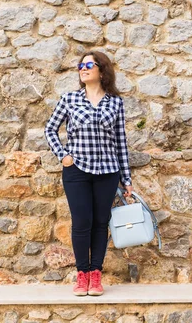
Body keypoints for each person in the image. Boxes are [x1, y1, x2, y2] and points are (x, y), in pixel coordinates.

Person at [44, 50, 134, 296]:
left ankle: (96, 275)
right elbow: (50, 129)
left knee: (100, 223)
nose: (83, 69)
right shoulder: (70, 99)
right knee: (82, 222)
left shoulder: (115, 103)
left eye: (88, 65)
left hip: (107, 171)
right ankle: (81, 275)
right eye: (80, 65)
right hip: (77, 171)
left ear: (102, 71)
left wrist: (127, 179)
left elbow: (120, 143)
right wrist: (63, 156)